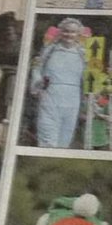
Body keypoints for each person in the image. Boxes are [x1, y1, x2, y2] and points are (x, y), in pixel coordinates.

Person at [29, 17, 86, 147]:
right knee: (47, 135)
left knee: (65, 137)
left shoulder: (83, 53)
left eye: (72, 32)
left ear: (78, 34)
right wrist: (38, 84)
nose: (69, 35)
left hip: (72, 99)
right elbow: (37, 67)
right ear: (60, 32)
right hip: (51, 96)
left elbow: (89, 75)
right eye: (66, 31)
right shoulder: (49, 50)